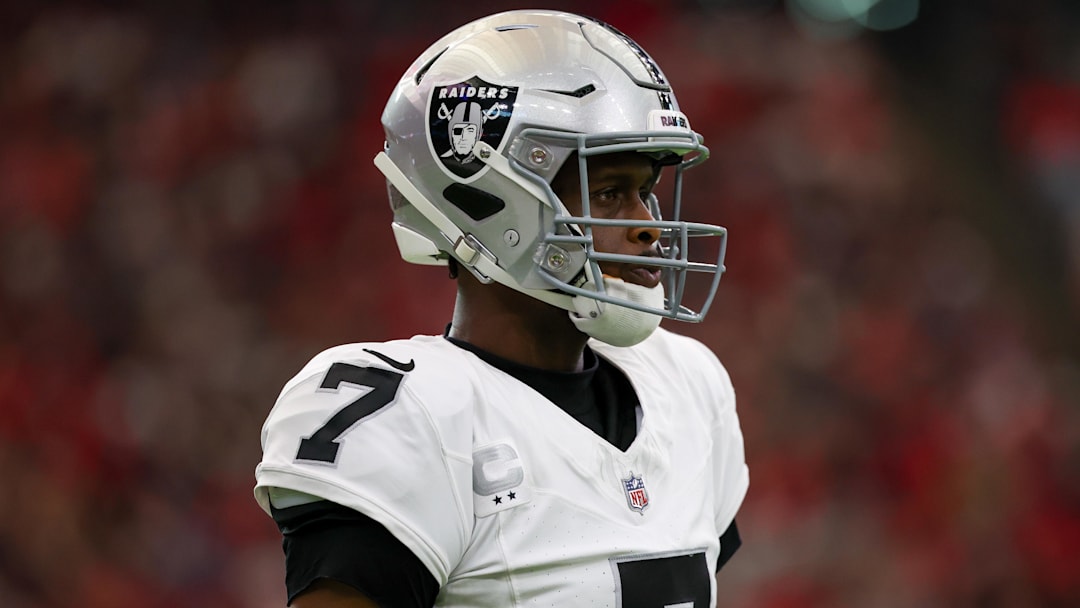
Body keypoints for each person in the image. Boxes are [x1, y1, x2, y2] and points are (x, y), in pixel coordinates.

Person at [254, 9, 749, 607]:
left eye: (645, 192)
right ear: (496, 199)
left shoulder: (687, 385)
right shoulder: (409, 416)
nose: (648, 226)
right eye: (612, 193)